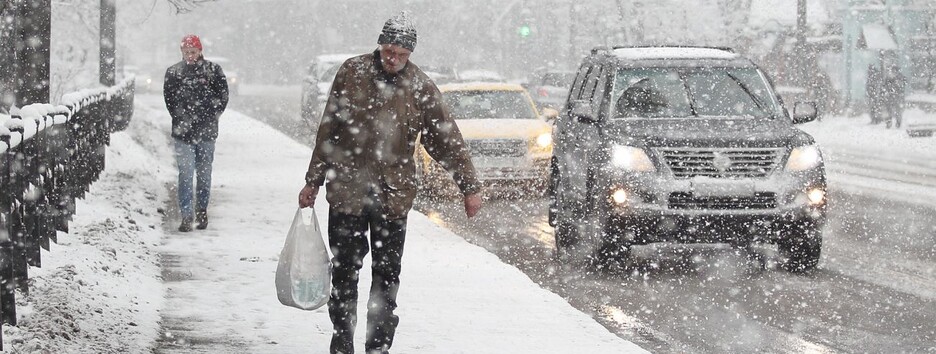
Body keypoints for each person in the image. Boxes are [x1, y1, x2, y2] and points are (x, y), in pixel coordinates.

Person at [297, 12, 483, 354]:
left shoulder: (420, 86)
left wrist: (469, 186)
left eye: (400, 53)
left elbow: (445, 139)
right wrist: (314, 180)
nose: (393, 58)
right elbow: (329, 129)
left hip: (391, 200)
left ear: (410, 53)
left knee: (385, 279)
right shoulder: (351, 73)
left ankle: (378, 347)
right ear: (379, 45)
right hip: (347, 193)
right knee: (344, 274)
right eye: (388, 50)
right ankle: (342, 341)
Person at [164, 34, 229, 232]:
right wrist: (181, 117)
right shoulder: (174, 72)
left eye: (193, 52)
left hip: (207, 132)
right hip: (183, 133)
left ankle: (201, 209)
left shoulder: (213, 71)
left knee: (204, 173)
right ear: (181, 52)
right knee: (185, 173)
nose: (190, 56)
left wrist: (210, 114)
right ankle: (186, 215)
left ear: (200, 51)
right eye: (186, 52)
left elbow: (223, 96)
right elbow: (169, 99)